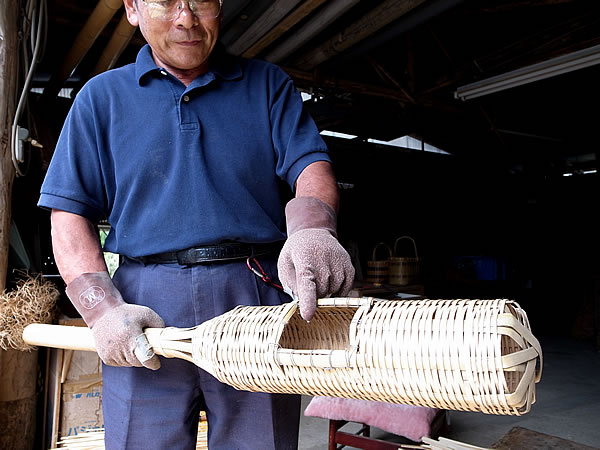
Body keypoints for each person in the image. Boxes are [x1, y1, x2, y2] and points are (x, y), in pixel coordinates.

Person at [38, 0, 355, 448]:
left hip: (253, 296)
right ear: (132, 8)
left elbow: (310, 165)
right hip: (144, 303)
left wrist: (312, 230)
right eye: (165, 2)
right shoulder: (100, 98)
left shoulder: (267, 85)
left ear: (219, 7)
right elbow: (69, 213)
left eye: (200, 1)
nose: (185, 18)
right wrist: (102, 310)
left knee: (260, 441)